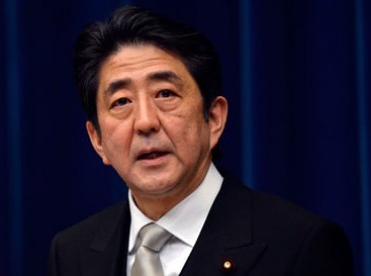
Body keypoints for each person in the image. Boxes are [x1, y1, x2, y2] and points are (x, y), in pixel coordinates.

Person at [48, 6, 353, 276]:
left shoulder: (300, 246)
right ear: (97, 139)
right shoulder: (72, 253)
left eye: (165, 94)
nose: (145, 122)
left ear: (215, 117)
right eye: (121, 101)